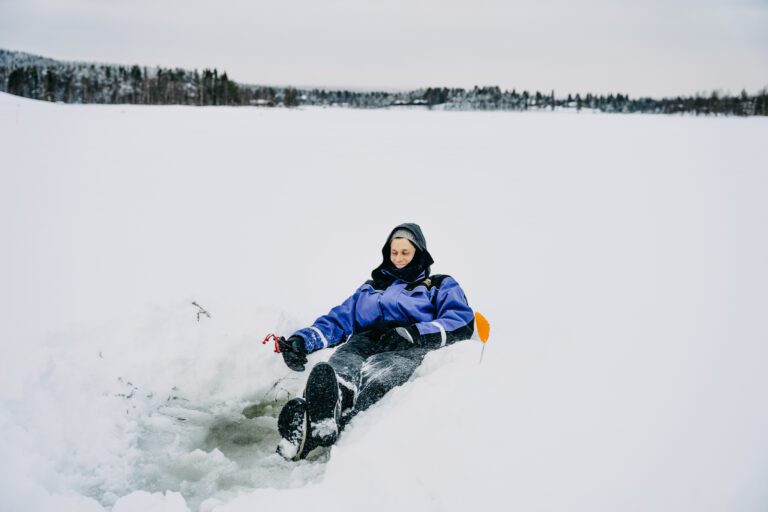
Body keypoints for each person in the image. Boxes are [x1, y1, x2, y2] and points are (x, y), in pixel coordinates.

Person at [275, 223, 475, 460]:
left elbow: (460, 320)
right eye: (394, 252)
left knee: (378, 377)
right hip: (365, 340)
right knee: (341, 366)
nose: (398, 258)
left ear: (419, 253)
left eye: (405, 252)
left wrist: (416, 332)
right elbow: (339, 318)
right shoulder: (371, 287)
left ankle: (329, 426)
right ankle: (323, 416)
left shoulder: (440, 284)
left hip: (407, 345)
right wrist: (302, 341)